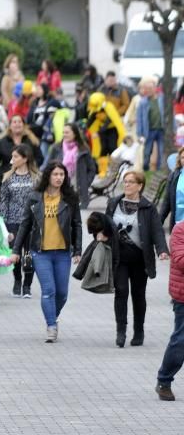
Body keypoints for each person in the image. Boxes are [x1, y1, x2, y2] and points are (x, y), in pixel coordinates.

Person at [11, 162, 83, 343]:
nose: (59, 178)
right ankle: (51, 325)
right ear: (48, 176)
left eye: (62, 174)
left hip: (63, 252)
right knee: (48, 291)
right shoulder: (35, 197)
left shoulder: (70, 198)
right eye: (55, 174)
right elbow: (25, 224)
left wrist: (78, 249)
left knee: (62, 293)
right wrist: (16, 250)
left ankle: (53, 314)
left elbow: (77, 225)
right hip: (40, 252)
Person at [103, 170, 169, 348]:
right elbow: (105, 224)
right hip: (119, 257)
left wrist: (162, 250)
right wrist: (101, 234)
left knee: (138, 295)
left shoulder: (148, 207)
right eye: (125, 181)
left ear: (140, 186)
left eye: (131, 182)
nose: (127, 185)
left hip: (140, 259)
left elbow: (156, 231)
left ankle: (138, 331)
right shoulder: (114, 202)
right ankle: (121, 331)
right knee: (121, 291)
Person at [0, 145, 39, 298]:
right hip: (13, 221)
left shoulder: (36, 178)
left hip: (32, 221)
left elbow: (41, 200)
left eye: (15, 157)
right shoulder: (8, 177)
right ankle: (17, 281)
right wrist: (4, 223)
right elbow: (4, 201)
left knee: (29, 253)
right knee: (15, 253)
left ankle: (27, 285)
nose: (12, 159)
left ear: (25, 158)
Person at [156, 216, 184, 400]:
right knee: (181, 340)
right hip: (183, 296)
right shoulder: (180, 230)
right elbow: (181, 260)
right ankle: (164, 380)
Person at [47, 123, 96, 211]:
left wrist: (85, 183)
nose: (64, 135)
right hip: (58, 192)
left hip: (79, 195)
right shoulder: (56, 148)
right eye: (63, 132)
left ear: (75, 133)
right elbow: (47, 166)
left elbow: (92, 169)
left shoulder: (83, 148)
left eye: (67, 132)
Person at [0, 114, 42, 184]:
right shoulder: (1, 142)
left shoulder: (32, 141)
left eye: (19, 122)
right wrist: (1, 174)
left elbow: (39, 158)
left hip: (28, 177)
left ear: (24, 125)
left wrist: (32, 168)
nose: (17, 124)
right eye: (14, 122)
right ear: (10, 126)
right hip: (7, 178)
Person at [136, 77, 165, 172]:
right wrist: (140, 134)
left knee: (162, 151)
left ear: (155, 88)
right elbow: (139, 119)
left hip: (161, 129)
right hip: (149, 130)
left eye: (150, 88)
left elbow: (169, 114)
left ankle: (160, 169)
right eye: (146, 89)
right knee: (147, 151)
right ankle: (145, 168)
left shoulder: (162, 99)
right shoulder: (142, 102)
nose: (148, 91)